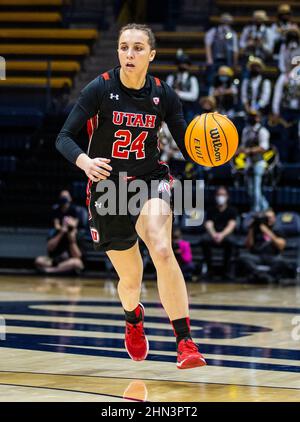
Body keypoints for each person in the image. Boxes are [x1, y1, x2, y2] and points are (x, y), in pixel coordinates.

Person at [56, 23, 206, 369]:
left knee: (162, 246)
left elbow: (187, 145)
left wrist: (208, 148)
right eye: (124, 47)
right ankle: (133, 318)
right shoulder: (101, 88)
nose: (129, 54)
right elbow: (64, 137)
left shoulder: (163, 95)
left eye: (138, 48)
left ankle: (185, 341)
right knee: (130, 281)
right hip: (109, 190)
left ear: (151, 55)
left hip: (150, 181)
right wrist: (85, 161)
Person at [35, 190, 84, 274]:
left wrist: (72, 240)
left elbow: (78, 256)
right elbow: (50, 248)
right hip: (57, 261)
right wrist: (61, 232)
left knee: (77, 263)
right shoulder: (55, 231)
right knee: (39, 260)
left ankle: (51, 271)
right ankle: (59, 269)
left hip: (69, 261)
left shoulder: (77, 233)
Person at [237, 209, 291, 283]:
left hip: (272, 257)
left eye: (271, 217)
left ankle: (263, 276)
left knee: (282, 262)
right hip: (257, 256)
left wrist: (267, 232)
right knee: (242, 258)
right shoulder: (256, 229)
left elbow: (281, 246)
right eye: (267, 217)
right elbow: (249, 246)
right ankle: (263, 275)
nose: (269, 219)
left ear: (275, 218)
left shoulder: (278, 230)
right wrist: (251, 229)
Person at [200, 186, 237, 278]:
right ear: (215, 196)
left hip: (225, 234)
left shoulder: (232, 210)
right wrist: (214, 234)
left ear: (227, 196)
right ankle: (210, 269)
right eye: (219, 195)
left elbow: (231, 225)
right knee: (204, 240)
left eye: (223, 195)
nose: (221, 197)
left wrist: (222, 235)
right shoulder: (211, 210)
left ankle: (226, 270)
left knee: (231, 242)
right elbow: (208, 224)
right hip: (213, 233)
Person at [238, 109, 270, 212]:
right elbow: (243, 146)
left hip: (259, 162)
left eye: (254, 116)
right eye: (251, 115)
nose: (252, 118)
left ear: (259, 118)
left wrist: (249, 150)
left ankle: (256, 211)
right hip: (248, 162)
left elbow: (264, 147)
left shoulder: (262, 131)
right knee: (249, 190)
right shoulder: (246, 130)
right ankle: (265, 208)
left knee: (256, 189)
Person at [166, 53, 199, 123]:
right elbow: (166, 93)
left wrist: (179, 94)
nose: (183, 65)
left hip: (188, 108)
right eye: (181, 63)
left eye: (185, 63)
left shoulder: (193, 79)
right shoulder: (171, 77)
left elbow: (194, 96)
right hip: (174, 107)